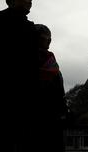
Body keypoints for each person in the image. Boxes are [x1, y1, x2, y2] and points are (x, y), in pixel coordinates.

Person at [0, 0, 40, 152]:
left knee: (20, 138)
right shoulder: (0, 18)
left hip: (23, 90)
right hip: (3, 88)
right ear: (12, 1)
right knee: (2, 137)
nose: (29, 2)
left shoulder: (30, 27)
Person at [29, 24, 67, 152]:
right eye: (45, 38)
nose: (49, 41)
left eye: (50, 39)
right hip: (39, 116)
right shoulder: (47, 62)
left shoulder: (50, 60)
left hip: (52, 115)